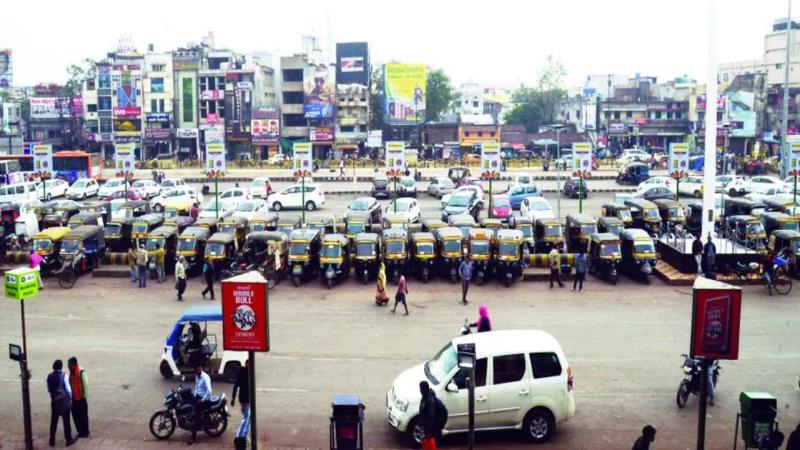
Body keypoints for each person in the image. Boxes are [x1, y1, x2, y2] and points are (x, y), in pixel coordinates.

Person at [47, 359, 75, 447]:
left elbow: (49, 389)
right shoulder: (64, 375)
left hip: (54, 401)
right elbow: (68, 389)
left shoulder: (49, 376)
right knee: (66, 421)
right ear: (61, 367)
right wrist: (70, 399)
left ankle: (52, 439)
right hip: (63, 402)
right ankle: (68, 439)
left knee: (54, 421)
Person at [418, 381, 447, 450]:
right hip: (429, 428)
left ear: (424, 389)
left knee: (431, 445)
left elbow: (431, 417)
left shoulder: (430, 401)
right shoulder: (426, 397)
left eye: (421, 389)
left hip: (432, 430)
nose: (420, 391)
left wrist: (429, 433)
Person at [189, 364, 212, 445]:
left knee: (195, 416)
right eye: (196, 369)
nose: (198, 370)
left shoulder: (205, 377)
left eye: (199, 368)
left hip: (204, 399)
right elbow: (196, 387)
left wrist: (202, 400)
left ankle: (193, 437)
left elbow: (209, 391)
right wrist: (194, 394)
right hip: (198, 396)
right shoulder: (197, 376)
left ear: (201, 368)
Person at [67, 357, 89, 438]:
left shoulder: (81, 371)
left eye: (69, 365)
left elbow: (85, 384)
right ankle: (80, 431)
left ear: (74, 365)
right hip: (74, 398)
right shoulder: (72, 372)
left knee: (83, 416)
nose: (68, 367)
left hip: (81, 398)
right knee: (76, 415)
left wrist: (84, 396)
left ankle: (85, 431)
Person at [231, 360, 251, 447]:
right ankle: (241, 437)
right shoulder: (247, 373)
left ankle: (243, 436)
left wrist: (233, 398)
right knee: (246, 419)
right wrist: (233, 398)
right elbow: (236, 386)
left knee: (245, 417)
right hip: (246, 398)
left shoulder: (241, 372)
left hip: (242, 398)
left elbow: (235, 386)